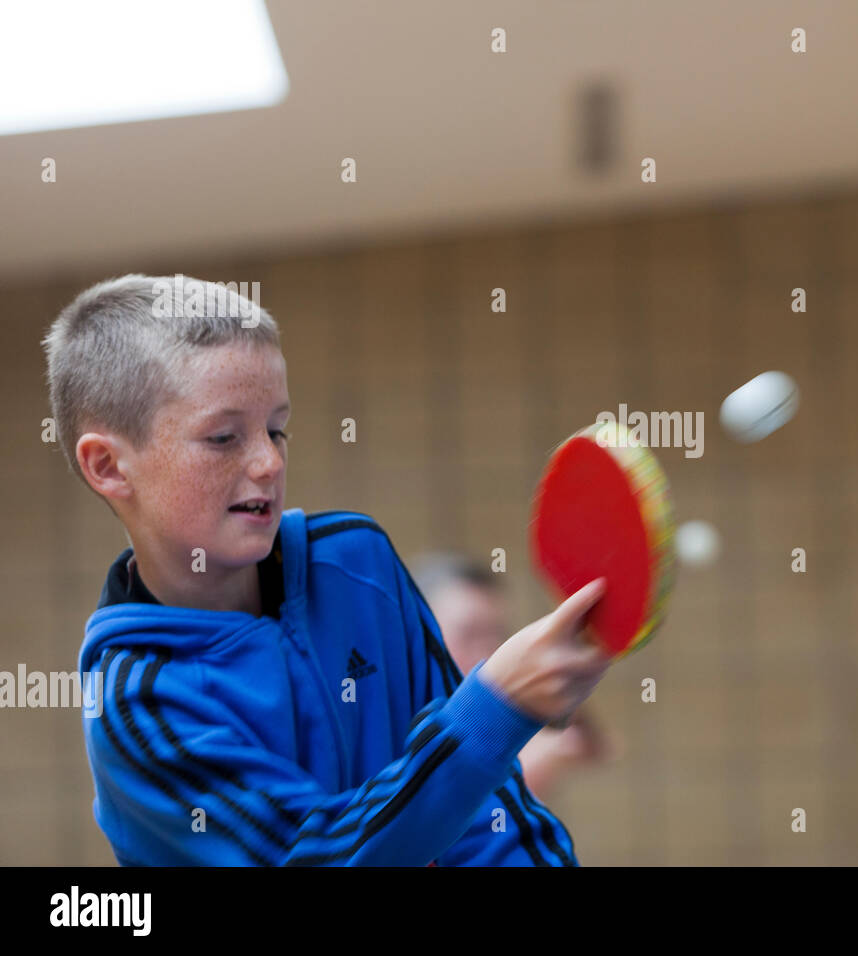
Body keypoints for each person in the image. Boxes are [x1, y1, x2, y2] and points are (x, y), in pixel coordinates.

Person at [44, 274, 611, 866]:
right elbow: (318, 856)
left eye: (276, 428)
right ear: (108, 466)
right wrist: (493, 707)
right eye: (222, 437)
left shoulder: (355, 560)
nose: (267, 461)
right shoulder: (139, 709)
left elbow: (490, 816)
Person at [411, 554, 620, 800]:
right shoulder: (391, 722)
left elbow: (598, 747)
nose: (487, 650)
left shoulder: (502, 705)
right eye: (469, 634)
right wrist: (530, 768)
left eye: (496, 633)